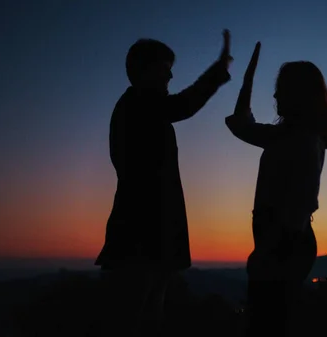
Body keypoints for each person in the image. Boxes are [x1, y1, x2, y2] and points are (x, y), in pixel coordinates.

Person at [89, 30, 233, 337]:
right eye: (164, 67)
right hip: (141, 231)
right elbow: (184, 104)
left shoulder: (139, 107)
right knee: (132, 315)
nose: (170, 74)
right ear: (142, 71)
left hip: (150, 230)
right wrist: (217, 72)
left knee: (148, 312)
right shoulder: (139, 104)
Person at [225, 42, 327, 336]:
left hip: (284, 241)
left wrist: (272, 248)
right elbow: (242, 126)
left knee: (268, 323)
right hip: (279, 239)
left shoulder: (301, 139)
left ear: (298, 95)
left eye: (281, 89)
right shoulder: (285, 135)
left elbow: (303, 201)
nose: (275, 95)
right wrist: (247, 82)